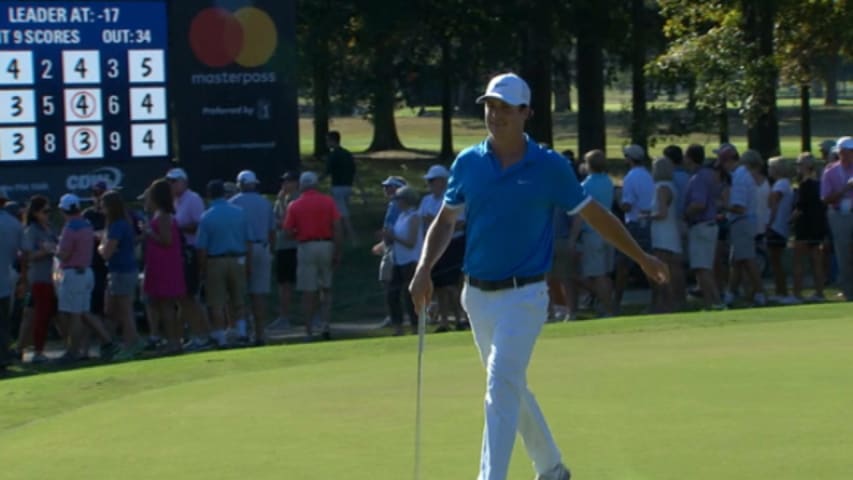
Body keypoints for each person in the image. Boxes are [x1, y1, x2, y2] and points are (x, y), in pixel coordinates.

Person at [409, 73, 668, 480]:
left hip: (524, 295)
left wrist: (640, 256)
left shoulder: (549, 166)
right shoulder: (468, 163)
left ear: (526, 113)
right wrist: (423, 268)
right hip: (475, 295)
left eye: (505, 108)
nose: (495, 115)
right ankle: (552, 468)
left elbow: (595, 216)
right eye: (490, 106)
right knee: (510, 386)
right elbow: (445, 221)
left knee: (500, 384)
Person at [55, 194, 118, 362]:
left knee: (74, 314)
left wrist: (51, 249)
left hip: (74, 273)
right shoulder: (86, 225)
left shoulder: (70, 228)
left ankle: (72, 351)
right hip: (87, 272)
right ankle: (107, 341)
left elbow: (64, 255)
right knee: (83, 312)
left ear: (63, 210)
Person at [284, 171, 342, 340]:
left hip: (306, 246)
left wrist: (299, 234)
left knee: (308, 291)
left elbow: (287, 232)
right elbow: (337, 227)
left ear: (302, 185)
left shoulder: (295, 205)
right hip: (326, 244)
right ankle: (325, 325)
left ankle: (308, 330)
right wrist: (338, 251)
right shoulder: (328, 201)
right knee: (326, 288)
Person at [197, 180, 251, 348]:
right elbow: (247, 240)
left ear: (209, 195)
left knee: (217, 302)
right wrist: (248, 263)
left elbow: (201, 248)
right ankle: (242, 333)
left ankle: (221, 338)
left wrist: (202, 269)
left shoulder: (206, 216)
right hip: (237, 258)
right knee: (239, 299)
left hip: (215, 260)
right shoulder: (240, 213)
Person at [166, 167, 211, 350]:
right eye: (170, 182)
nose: (172, 185)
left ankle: (203, 334)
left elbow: (200, 226)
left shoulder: (193, 199)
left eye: (174, 181)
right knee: (182, 298)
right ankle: (191, 334)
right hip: (179, 253)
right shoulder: (173, 202)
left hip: (191, 252)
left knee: (189, 297)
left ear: (184, 182)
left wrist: (178, 229)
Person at [419, 164, 467, 332]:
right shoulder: (426, 201)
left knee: (451, 285)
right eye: (429, 181)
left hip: (452, 245)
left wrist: (439, 223)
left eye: (433, 181)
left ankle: (461, 317)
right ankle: (444, 321)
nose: (430, 184)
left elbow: (460, 223)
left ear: (443, 181)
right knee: (438, 286)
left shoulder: (453, 198)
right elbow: (423, 222)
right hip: (433, 246)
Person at [98, 191, 145, 360]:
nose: (101, 208)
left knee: (124, 310)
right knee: (111, 310)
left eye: (103, 205)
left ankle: (132, 344)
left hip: (122, 271)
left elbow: (106, 252)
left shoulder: (118, 224)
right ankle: (111, 344)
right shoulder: (120, 223)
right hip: (120, 271)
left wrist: (101, 247)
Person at [142, 179, 187, 354]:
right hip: (159, 263)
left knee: (167, 305)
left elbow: (166, 240)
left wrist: (149, 232)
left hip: (165, 265)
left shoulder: (163, 216)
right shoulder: (160, 214)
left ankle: (173, 342)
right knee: (161, 304)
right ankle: (172, 340)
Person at [230, 170, 275, 345]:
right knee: (259, 294)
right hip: (262, 248)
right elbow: (272, 231)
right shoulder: (265, 203)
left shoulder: (233, 203)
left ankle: (242, 332)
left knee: (239, 294)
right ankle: (260, 334)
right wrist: (272, 251)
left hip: (241, 251)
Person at [13, 196, 58, 364]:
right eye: (44, 211)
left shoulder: (50, 228)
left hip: (52, 277)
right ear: (36, 212)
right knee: (41, 315)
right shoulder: (31, 230)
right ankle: (38, 351)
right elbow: (26, 256)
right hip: (39, 279)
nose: (48, 215)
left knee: (31, 315)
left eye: (49, 211)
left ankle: (18, 349)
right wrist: (44, 251)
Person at [570, 149, 615, 317]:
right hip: (609, 231)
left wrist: (573, 238)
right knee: (605, 273)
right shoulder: (608, 182)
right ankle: (605, 305)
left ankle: (607, 308)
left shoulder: (586, 186)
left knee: (596, 274)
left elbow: (581, 215)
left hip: (592, 232)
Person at [720, 149, 767, 306]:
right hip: (743, 222)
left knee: (747, 259)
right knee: (736, 261)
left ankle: (759, 293)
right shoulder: (742, 175)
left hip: (742, 221)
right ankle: (730, 294)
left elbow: (739, 207)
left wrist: (722, 205)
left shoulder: (739, 177)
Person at [683, 144, 724, 310]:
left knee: (702, 268)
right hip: (710, 224)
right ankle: (715, 301)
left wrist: (685, 214)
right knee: (705, 267)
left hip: (701, 224)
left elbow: (699, 204)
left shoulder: (698, 178)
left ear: (690, 158)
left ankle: (713, 303)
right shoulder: (710, 175)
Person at [614, 144, 655, 310]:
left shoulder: (630, 177)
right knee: (648, 261)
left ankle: (615, 302)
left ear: (629, 159)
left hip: (635, 223)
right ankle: (657, 298)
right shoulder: (648, 175)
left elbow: (627, 206)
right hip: (649, 222)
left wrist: (617, 199)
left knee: (623, 264)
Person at [385, 186, 422, 336]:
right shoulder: (401, 216)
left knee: (409, 296)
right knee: (392, 294)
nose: (396, 203)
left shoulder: (414, 216)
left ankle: (415, 326)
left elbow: (411, 242)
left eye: (398, 200)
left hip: (411, 260)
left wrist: (393, 237)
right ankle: (397, 326)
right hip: (398, 261)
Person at [372, 176, 407, 329]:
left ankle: (395, 316)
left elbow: (396, 229)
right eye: (385, 186)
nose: (386, 189)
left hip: (396, 248)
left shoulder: (397, 205)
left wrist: (386, 238)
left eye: (389, 186)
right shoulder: (394, 204)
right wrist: (382, 243)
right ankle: (394, 315)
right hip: (390, 246)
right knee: (388, 281)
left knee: (390, 282)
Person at [267, 171, 301, 333]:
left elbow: (288, 223)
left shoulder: (297, 200)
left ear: (295, 183)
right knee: (283, 284)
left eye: (288, 181)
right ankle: (284, 317)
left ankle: (311, 315)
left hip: (295, 246)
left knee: (299, 283)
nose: (284, 184)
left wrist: (281, 219)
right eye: (284, 181)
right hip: (283, 246)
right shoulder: (281, 199)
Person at [820, 136, 853, 301]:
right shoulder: (830, 171)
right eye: (846, 152)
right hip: (839, 214)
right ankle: (848, 291)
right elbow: (825, 198)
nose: (849, 155)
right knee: (843, 253)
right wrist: (844, 190)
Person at [649, 157, 683, 313]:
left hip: (662, 232)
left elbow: (662, 213)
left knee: (662, 269)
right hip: (672, 230)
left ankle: (666, 303)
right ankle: (678, 300)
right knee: (674, 268)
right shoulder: (672, 186)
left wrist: (646, 216)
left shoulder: (660, 188)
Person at [766, 156, 797, 304]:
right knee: (775, 261)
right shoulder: (786, 184)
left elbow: (773, 205)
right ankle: (780, 290)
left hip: (776, 226)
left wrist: (768, 223)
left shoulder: (780, 184)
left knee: (776, 261)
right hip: (781, 226)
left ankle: (782, 291)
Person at [0, 189, 22, 372]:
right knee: (3, 324)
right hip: (5, 280)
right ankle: (4, 359)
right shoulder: (14, 223)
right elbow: (25, 254)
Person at [324, 131, 358, 244]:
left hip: (337, 187)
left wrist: (316, 180)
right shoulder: (347, 153)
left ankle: (353, 239)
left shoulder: (333, 155)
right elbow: (354, 170)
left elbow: (327, 171)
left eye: (328, 140)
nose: (326, 143)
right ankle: (342, 237)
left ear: (332, 141)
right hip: (348, 186)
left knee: (343, 214)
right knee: (343, 211)